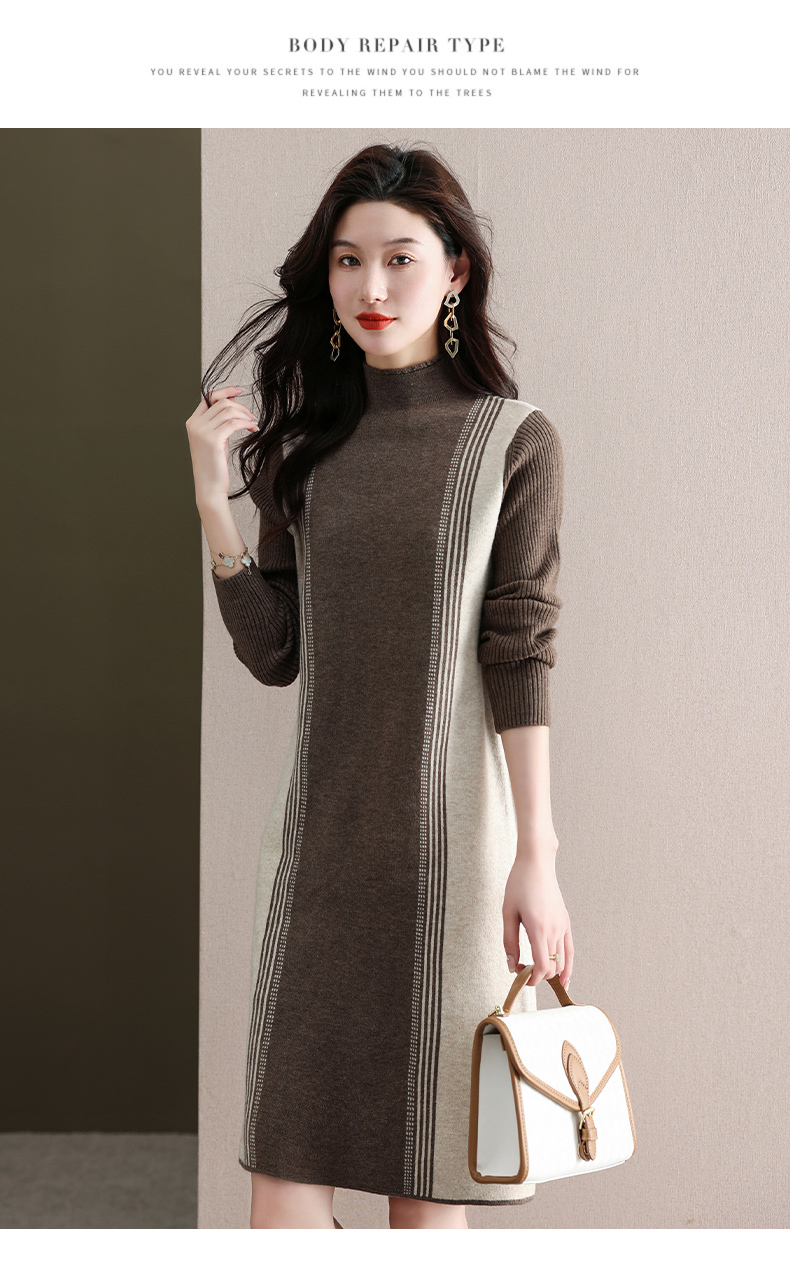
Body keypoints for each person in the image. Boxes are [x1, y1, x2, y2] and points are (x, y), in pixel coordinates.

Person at [185, 141, 573, 1230]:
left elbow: (519, 648)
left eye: (401, 258)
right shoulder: (305, 450)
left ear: (455, 271)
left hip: (454, 858)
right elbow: (275, 652)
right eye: (348, 260)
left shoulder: (512, 443)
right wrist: (215, 502)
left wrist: (537, 857)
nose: (371, 286)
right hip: (317, 853)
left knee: (426, 1191)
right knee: (280, 1195)